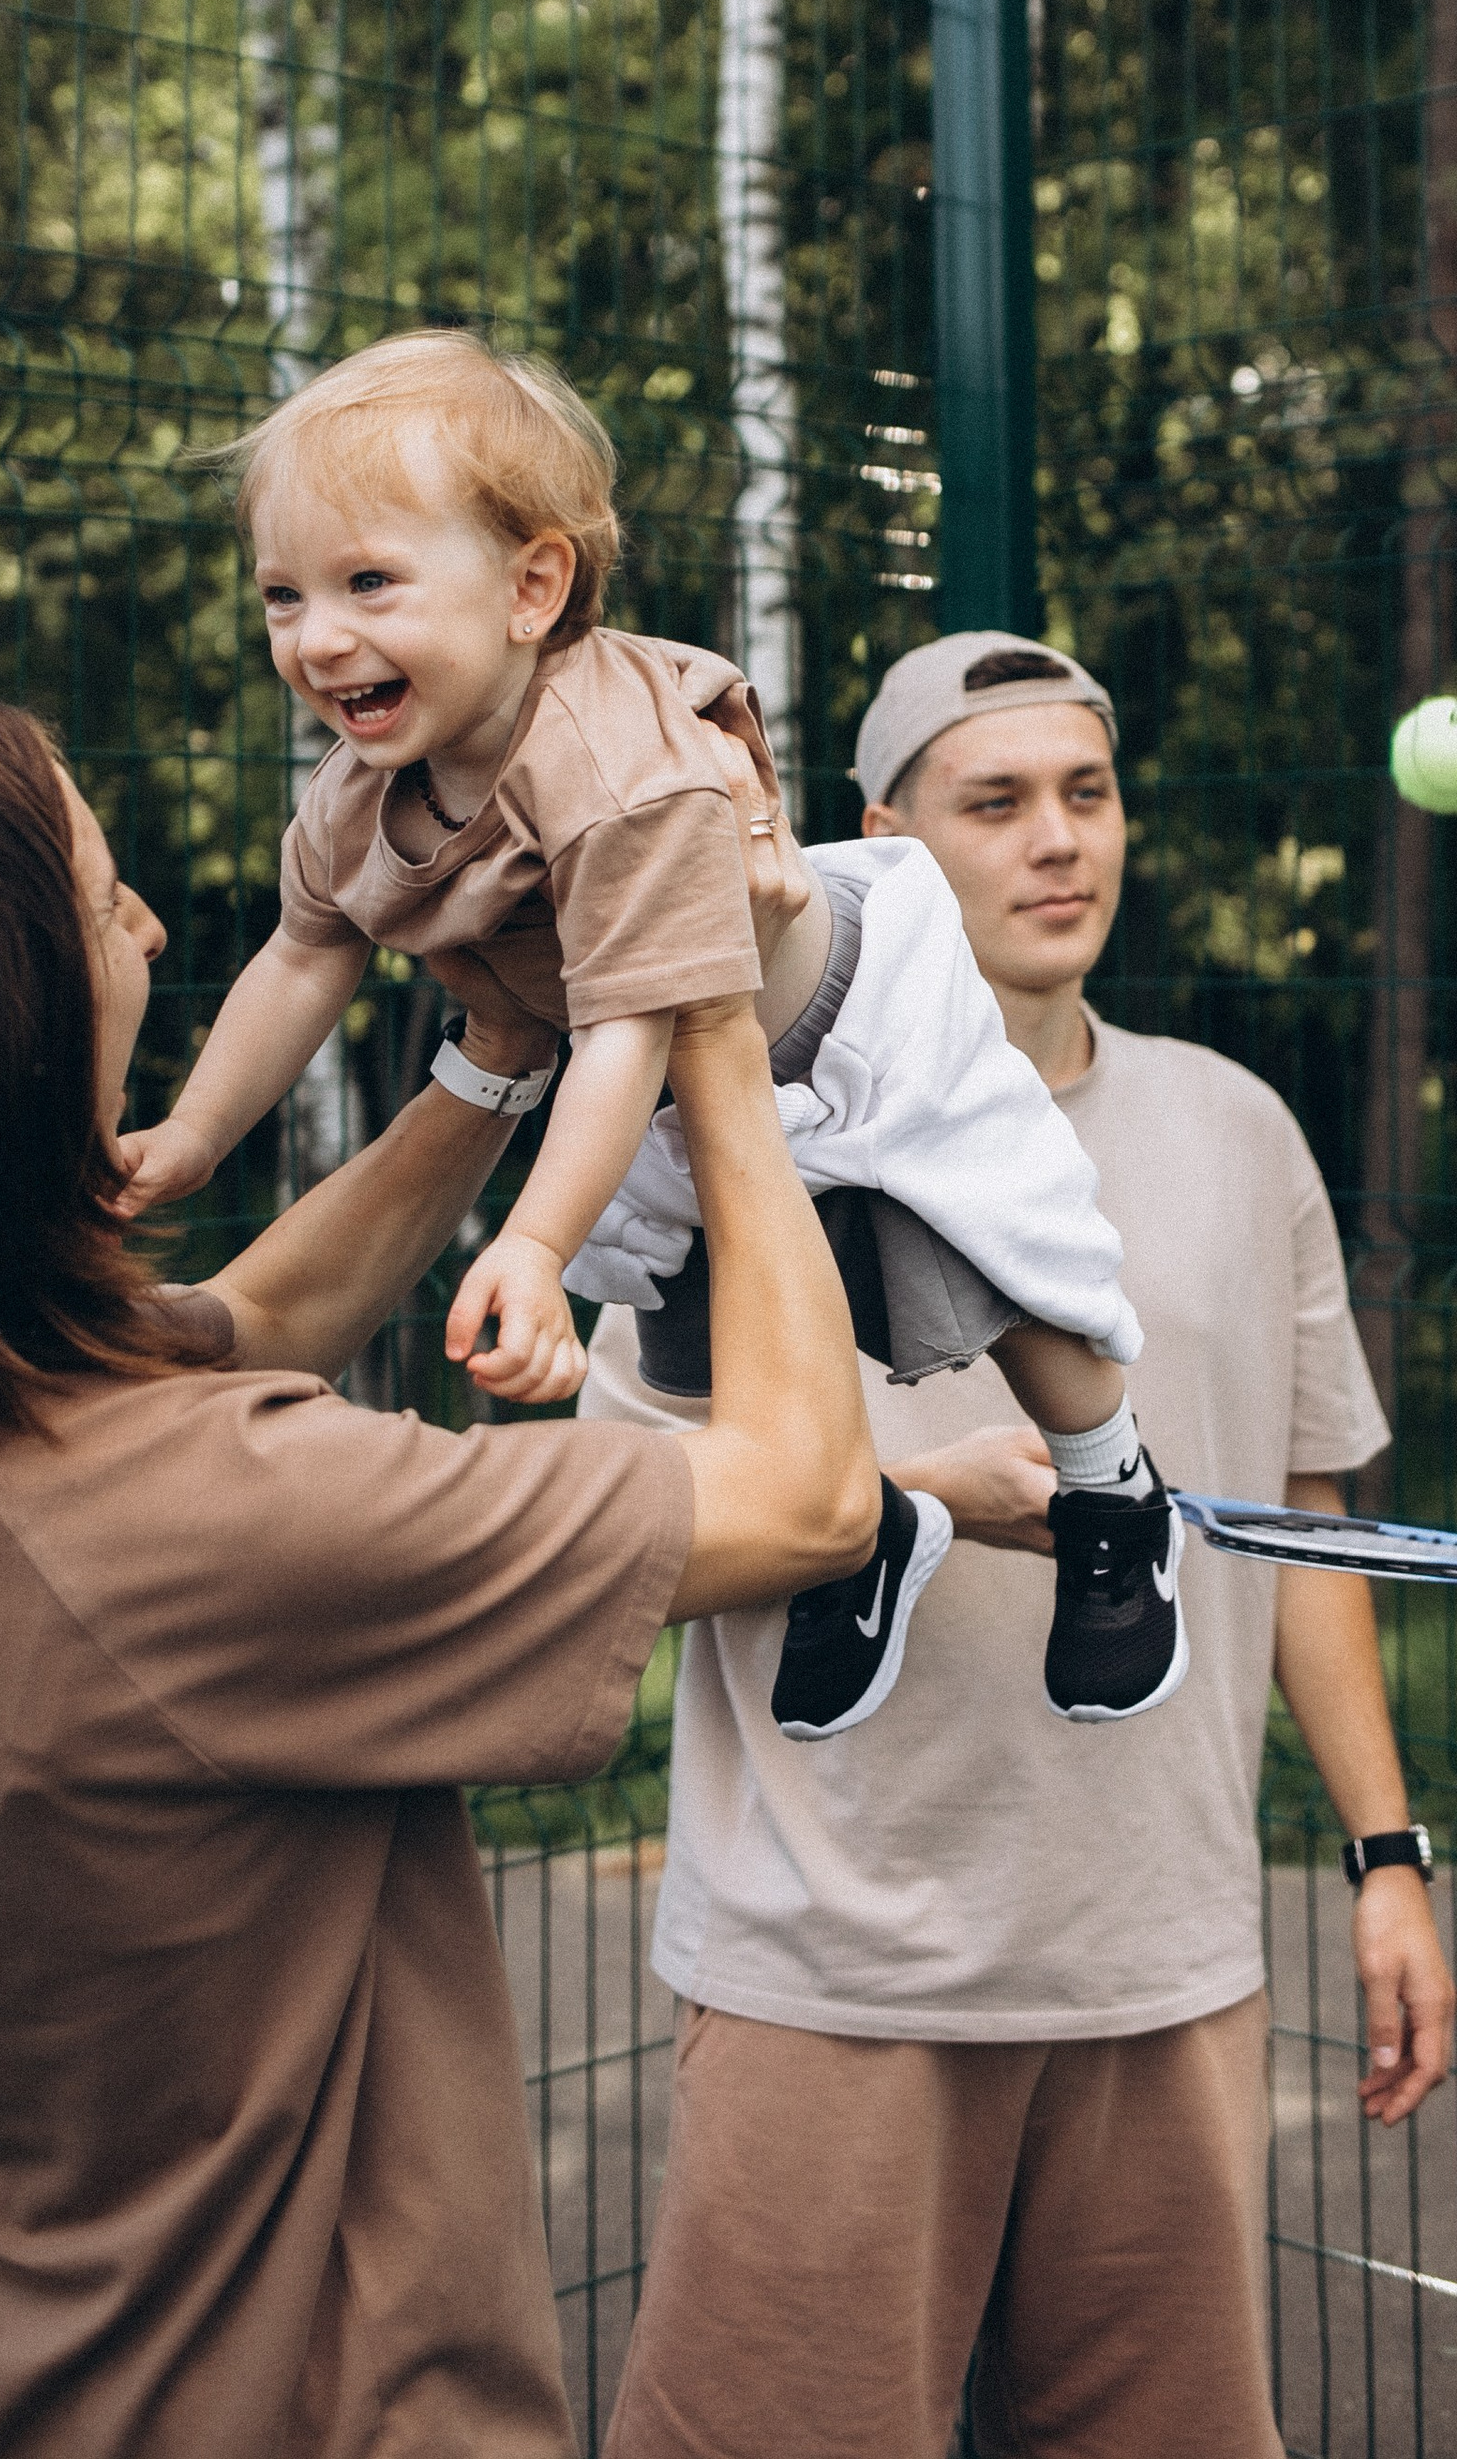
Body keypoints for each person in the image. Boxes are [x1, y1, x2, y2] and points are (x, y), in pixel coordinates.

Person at [0, 653, 884, 2459]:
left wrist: (493, 1059)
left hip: (2, 2437)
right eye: (100, 899)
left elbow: (244, 1331)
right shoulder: (191, 1526)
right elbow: (808, 1493)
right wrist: (702, 1018)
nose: (157, 924)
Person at [585, 629, 1457, 2459]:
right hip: (839, 1962)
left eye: (1086, 793)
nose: (1056, 842)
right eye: (995, 803)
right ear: (881, 843)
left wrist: (1382, 1853)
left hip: (1157, 1960)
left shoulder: (1239, 1128)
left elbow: (1299, 1528)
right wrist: (901, 1500)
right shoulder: (734, 1141)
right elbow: (603, 1522)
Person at [117, 331, 1188, 1737]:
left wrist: (538, 1245)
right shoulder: (361, 791)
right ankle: (859, 1533)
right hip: (673, 1069)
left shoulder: (619, 770)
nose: (317, 636)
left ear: (532, 586)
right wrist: (194, 1136)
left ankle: (1114, 1488)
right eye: (283, 595)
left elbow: (628, 1023)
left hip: (847, 1024)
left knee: (981, 1258)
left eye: (369, 582)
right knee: (706, 1352)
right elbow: (306, 952)